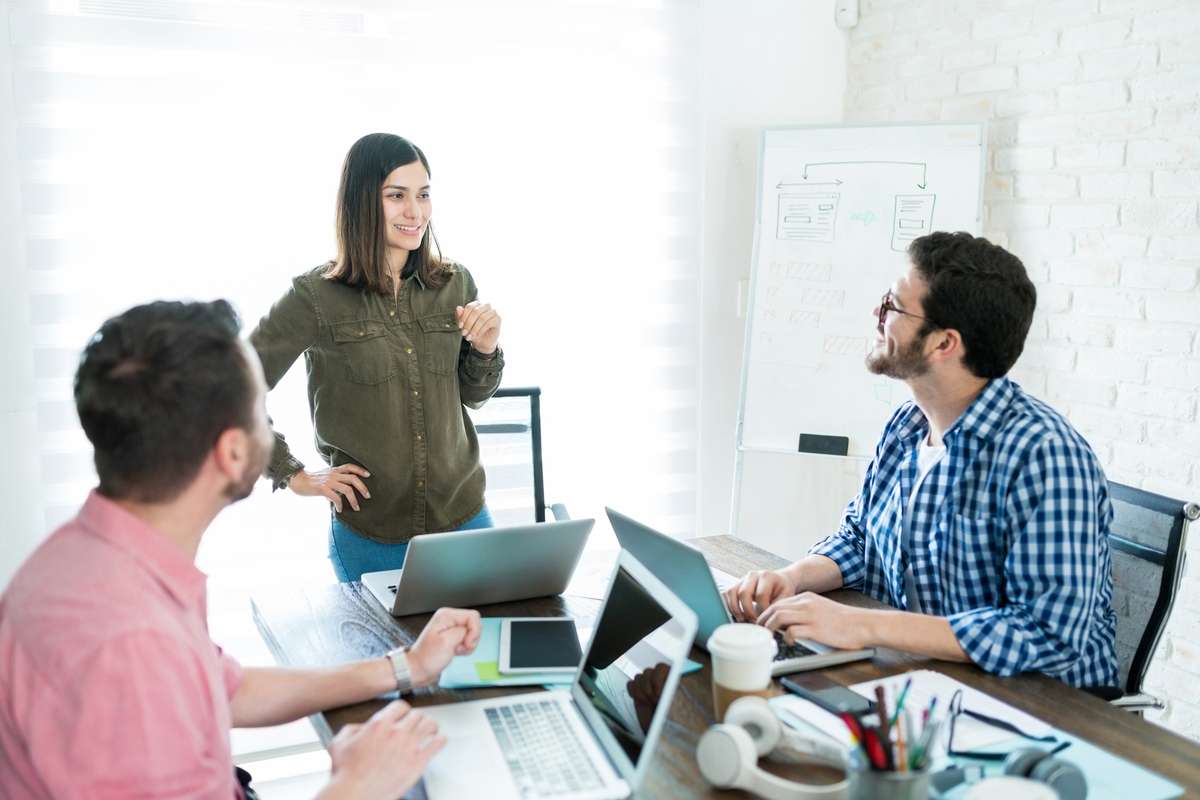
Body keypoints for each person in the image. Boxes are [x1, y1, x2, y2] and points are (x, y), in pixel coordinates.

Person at [0, 300, 482, 799]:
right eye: (261, 411)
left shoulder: (95, 556)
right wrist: (356, 786)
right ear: (232, 452)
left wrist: (408, 666)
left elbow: (224, 689)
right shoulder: (127, 644)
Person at [723, 231, 1118, 689]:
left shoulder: (1046, 456)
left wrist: (860, 625)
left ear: (944, 344)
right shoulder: (907, 426)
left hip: (1044, 708)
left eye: (893, 306)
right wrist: (791, 579)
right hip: (929, 676)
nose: (878, 313)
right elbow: (859, 540)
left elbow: (1048, 636)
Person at [250, 133, 504, 582]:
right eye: (396, 196)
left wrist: (486, 347)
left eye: (423, 194)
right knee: (390, 655)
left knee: (483, 651)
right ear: (361, 202)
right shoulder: (315, 297)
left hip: (464, 517)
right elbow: (230, 389)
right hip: (371, 535)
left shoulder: (455, 284)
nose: (415, 212)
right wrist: (292, 474)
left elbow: (473, 394)